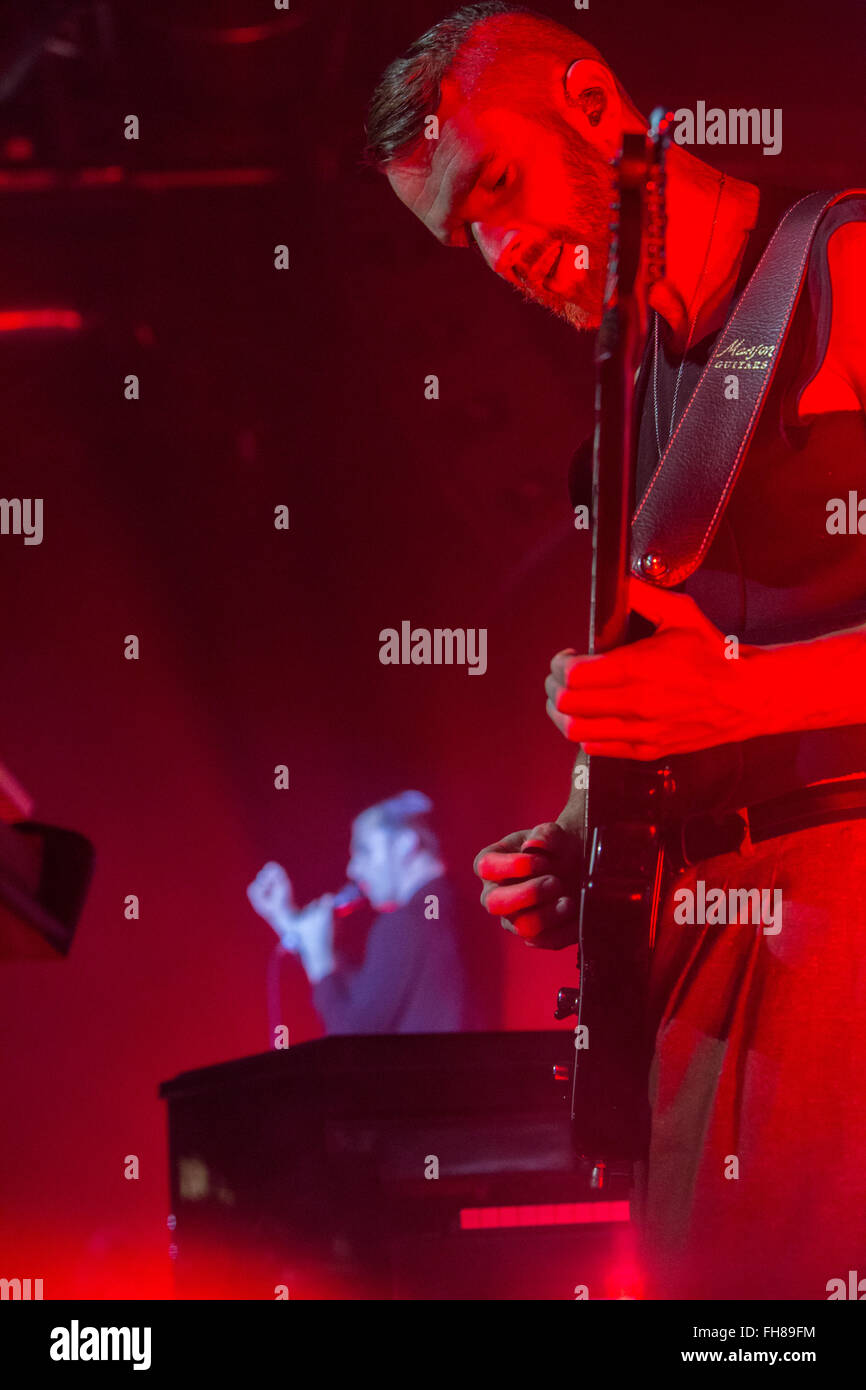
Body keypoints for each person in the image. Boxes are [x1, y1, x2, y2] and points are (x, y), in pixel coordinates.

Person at [365, 3, 866, 1298]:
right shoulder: (621, 428)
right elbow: (664, 693)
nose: (498, 248)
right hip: (696, 971)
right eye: (462, 232)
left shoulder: (842, 268)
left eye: (501, 186)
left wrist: (741, 695)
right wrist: (580, 837)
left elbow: (725, 686)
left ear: (594, 106)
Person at [247, 791, 469, 1034]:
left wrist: (320, 960)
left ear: (406, 842)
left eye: (364, 851)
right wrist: (286, 921)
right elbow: (369, 996)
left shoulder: (405, 924)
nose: (353, 870)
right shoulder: (455, 908)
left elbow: (352, 1037)